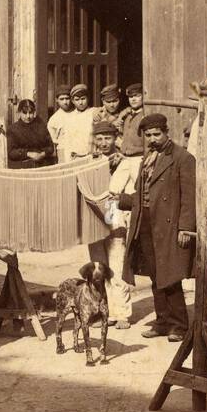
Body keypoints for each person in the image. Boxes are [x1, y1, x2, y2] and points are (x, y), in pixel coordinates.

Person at [118, 112, 195, 341]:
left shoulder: (183, 158)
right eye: (148, 135)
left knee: (170, 275)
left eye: (156, 134)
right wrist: (122, 200)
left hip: (169, 224)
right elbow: (145, 192)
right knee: (155, 275)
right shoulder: (148, 157)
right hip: (146, 222)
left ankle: (180, 325)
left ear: (166, 132)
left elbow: (189, 198)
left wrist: (184, 228)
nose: (152, 139)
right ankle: (162, 322)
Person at [78, 120, 141, 330]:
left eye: (108, 138)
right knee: (98, 268)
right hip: (93, 218)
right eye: (100, 138)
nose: (104, 143)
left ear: (116, 138)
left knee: (116, 266)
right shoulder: (89, 161)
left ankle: (121, 313)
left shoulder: (127, 163)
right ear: (95, 140)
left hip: (115, 216)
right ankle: (102, 311)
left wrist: (120, 199)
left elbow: (135, 193)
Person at [6, 99, 54, 169]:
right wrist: (28, 154)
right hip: (22, 167)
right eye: (24, 113)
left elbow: (50, 147)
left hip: (42, 166)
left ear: (34, 112)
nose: (28, 116)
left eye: (30, 113)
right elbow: (11, 152)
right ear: (19, 113)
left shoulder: (41, 126)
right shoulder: (13, 129)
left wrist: (42, 154)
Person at [59, 83, 101, 161]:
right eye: (77, 100)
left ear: (88, 98)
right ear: (72, 101)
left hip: (91, 156)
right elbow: (67, 141)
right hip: (75, 158)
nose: (80, 103)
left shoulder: (94, 112)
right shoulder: (69, 118)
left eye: (83, 99)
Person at [118, 83, 144, 157]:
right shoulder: (126, 116)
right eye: (131, 97)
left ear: (143, 97)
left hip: (139, 156)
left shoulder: (145, 115)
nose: (133, 99)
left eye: (137, 96)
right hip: (124, 156)